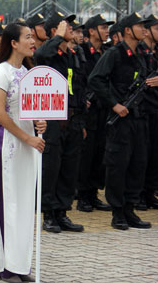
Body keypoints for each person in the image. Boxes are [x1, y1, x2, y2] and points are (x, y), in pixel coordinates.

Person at [89, 12, 156, 230]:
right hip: (121, 120)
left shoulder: (142, 54)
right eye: (140, 26)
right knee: (118, 165)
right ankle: (118, 211)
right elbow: (95, 80)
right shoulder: (115, 53)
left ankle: (130, 209)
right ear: (128, 30)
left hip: (140, 119)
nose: (144, 29)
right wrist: (114, 104)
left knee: (138, 163)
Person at [0, 22, 45, 283]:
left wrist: (39, 123)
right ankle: (6, 267)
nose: (32, 41)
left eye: (32, 37)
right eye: (27, 37)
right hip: (7, 146)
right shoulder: (2, 71)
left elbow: (32, 110)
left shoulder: (28, 72)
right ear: (13, 42)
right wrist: (26, 137)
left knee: (25, 205)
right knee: (7, 204)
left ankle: (22, 265)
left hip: (28, 146)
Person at [34, 12, 86, 234]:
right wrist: (57, 38)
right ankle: (49, 214)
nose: (72, 30)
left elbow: (79, 88)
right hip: (54, 119)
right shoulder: (49, 53)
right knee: (51, 168)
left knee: (69, 168)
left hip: (73, 118)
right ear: (54, 31)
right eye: (67, 26)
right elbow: (41, 54)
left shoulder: (73, 55)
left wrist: (82, 121)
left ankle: (63, 211)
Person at [77, 14, 114, 213]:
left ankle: (94, 193)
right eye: (102, 27)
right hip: (88, 109)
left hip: (103, 109)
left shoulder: (106, 52)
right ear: (91, 31)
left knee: (100, 151)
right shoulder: (82, 51)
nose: (106, 30)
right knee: (87, 152)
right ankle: (83, 194)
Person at [139, 14, 158, 210]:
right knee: (142, 154)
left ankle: (150, 192)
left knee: (154, 155)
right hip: (142, 110)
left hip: (155, 110)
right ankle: (139, 195)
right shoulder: (140, 52)